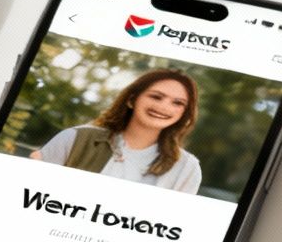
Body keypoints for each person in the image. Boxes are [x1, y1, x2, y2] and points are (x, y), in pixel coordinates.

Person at [31, 69, 203, 194]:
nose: (164, 107)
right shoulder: (75, 138)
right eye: (156, 97)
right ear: (131, 100)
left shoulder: (187, 168)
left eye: (178, 103)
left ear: (184, 113)